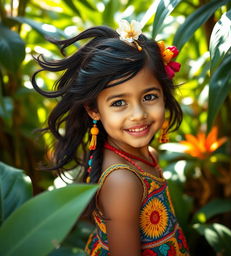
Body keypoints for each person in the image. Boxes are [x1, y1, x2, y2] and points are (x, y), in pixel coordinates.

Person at [32, 19, 190, 256]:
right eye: (118, 103)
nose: (138, 114)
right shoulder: (122, 181)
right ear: (93, 109)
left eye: (149, 97)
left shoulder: (144, 157)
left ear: (164, 95)